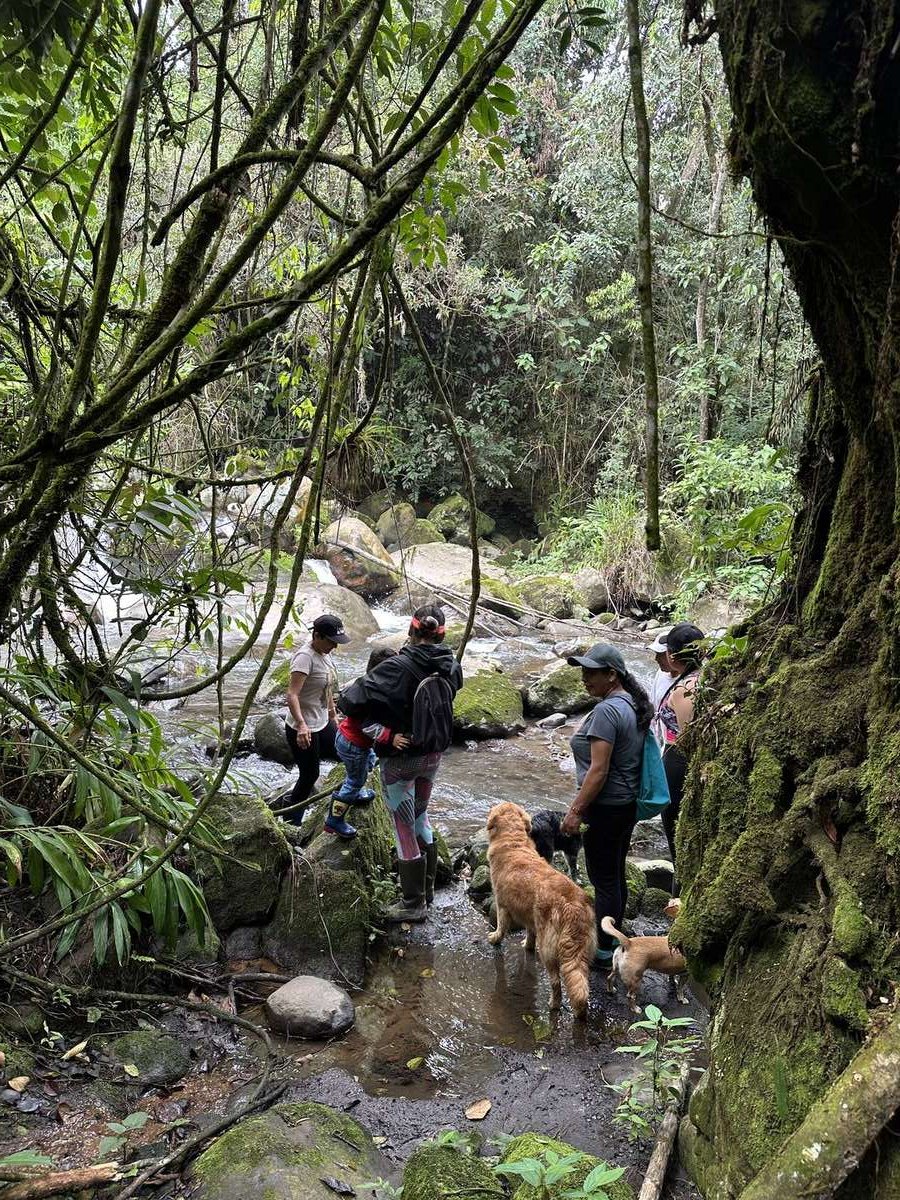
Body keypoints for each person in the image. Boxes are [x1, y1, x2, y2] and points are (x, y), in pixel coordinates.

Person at [359, 604, 462, 923]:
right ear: (442, 634)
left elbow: (351, 701)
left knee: (403, 827)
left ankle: (413, 903)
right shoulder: (452, 665)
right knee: (420, 816)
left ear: (411, 630)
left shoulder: (398, 666)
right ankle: (428, 891)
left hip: (401, 758)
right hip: (433, 754)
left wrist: (387, 731)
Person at [560, 644, 653, 968]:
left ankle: (602, 952)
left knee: (604, 878)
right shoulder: (630, 704)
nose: (585, 678)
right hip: (624, 806)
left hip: (605, 806)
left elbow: (598, 770)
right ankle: (614, 936)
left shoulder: (607, 711)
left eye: (591, 672)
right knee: (613, 873)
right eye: (583, 671)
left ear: (611, 674)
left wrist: (575, 811)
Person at [327, 647, 403, 840]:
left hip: (346, 738)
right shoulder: (374, 694)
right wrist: (391, 737)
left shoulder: (364, 685)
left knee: (368, 762)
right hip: (354, 744)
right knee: (354, 781)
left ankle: (357, 791)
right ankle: (334, 821)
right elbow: (368, 726)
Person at [283, 614, 348, 826]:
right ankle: (291, 823)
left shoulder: (325, 654)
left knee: (347, 755)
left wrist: (333, 715)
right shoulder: (305, 657)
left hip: (322, 722)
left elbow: (327, 688)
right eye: (331, 641)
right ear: (317, 635)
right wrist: (301, 725)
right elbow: (292, 695)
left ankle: (340, 808)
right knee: (310, 775)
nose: (335, 647)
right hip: (303, 727)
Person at [657, 622, 704, 886]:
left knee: (678, 833)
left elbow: (689, 738)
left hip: (679, 764)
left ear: (673, 657)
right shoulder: (707, 677)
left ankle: (681, 893)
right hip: (680, 763)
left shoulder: (687, 688)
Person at [648, 630, 674, 748]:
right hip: (658, 737)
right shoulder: (661, 673)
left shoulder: (689, 682)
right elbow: (653, 704)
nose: (656, 659)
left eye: (661, 654)